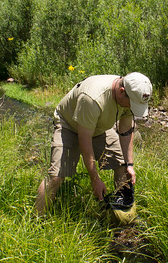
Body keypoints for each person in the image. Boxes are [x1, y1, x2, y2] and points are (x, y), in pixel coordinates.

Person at [35, 72, 152, 216]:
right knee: (56, 176)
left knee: (122, 167)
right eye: (131, 104)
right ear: (121, 92)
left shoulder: (130, 93)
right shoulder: (92, 98)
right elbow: (85, 142)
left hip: (99, 126)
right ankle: (36, 220)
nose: (132, 108)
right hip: (69, 125)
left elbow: (126, 130)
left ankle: (119, 216)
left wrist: (130, 165)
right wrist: (95, 179)